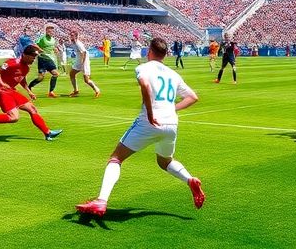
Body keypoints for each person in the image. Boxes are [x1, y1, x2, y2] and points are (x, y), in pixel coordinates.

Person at [74, 38, 204, 217]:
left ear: (149, 51)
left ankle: (101, 201)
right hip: (171, 124)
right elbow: (193, 97)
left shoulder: (144, 67)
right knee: (164, 161)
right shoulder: (173, 74)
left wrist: (151, 113)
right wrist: (170, 109)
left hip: (149, 122)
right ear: (165, 55)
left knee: (116, 159)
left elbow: (144, 84)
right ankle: (189, 179)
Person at [0, 45, 63, 141]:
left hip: (11, 91)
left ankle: (47, 133)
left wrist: (29, 91)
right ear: (25, 55)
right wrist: (1, 83)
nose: (34, 59)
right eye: (32, 56)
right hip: (2, 92)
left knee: (32, 109)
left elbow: (21, 79)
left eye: (35, 57)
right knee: (14, 117)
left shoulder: (26, 68)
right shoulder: (12, 62)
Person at [28, 24, 62, 98]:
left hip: (50, 59)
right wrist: (39, 49)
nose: (51, 32)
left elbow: (53, 47)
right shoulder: (42, 38)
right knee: (40, 78)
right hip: (42, 59)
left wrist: (55, 49)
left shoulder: (53, 39)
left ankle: (51, 92)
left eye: (52, 31)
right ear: (46, 31)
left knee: (55, 74)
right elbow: (34, 44)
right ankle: (29, 87)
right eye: (49, 30)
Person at [67, 30, 101, 98]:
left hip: (84, 61)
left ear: (76, 36)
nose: (70, 36)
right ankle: (76, 91)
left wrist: (82, 63)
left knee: (86, 80)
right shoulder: (73, 42)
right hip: (79, 61)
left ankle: (97, 90)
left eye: (72, 35)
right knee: (71, 74)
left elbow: (84, 52)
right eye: (70, 35)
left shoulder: (78, 43)